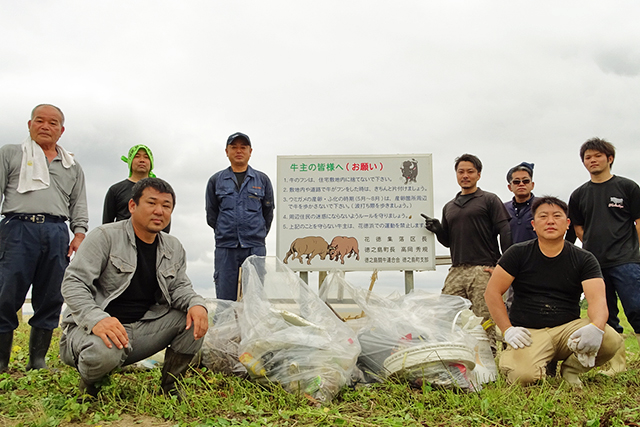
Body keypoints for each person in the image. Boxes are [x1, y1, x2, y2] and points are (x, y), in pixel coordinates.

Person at [59, 178, 208, 398]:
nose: (159, 211)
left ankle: (171, 386)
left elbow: (179, 287)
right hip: (93, 332)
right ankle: (92, 383)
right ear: (132, 206)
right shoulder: (104, 237)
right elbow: (73, 282)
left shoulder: (173, 246)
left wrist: (197, 304)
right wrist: (96, 319)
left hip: (141, 330)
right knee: (103, 351)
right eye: (151, 203)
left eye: (166, 206)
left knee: (193, 320)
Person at [484, 196, 622, 387]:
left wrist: (596, 326)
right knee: (523, 377)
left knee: (609, 338)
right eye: (543, 216)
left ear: (567, 224)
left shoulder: (584, 259)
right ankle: (534, 362)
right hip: (528, 332)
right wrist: (508, 330)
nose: (550, 221)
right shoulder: (517, 253)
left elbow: (597, 300)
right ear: (533, 224)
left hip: (568, 332)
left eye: (557, 216)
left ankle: (571, 369)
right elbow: (492, 293)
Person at [0, 104, 88, 373]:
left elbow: (78, 203)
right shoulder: (11, 153)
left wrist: (80, 233)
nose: (45, 126)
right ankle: (1, 362)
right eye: (40, 121)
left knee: (51, 295)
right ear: (29, 125)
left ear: (61, 131)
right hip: (17, 229)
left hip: (55, 232)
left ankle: (37, 362)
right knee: (6, 293)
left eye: (53, 123)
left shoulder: (71, 165)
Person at [422, 154, 511, 346]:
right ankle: (454, 356)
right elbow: (448, 242)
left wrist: (503, 265)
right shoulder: (449, 207)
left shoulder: (489, 199)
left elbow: (504, 231)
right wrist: (438, 230)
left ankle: (490, 366)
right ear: (456, 174)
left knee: (486, 319)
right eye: (461, 171)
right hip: (457, 269)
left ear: (478, 175)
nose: (465, 175)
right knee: (445, 315)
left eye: (470, 171)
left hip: (484, 269)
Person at [568, 137, 640, 375]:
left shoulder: (628, 187)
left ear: (609, 159)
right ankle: (617, 365)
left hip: (627, 261)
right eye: (587, 157)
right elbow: (578, 227)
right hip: (594, 266)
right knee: (605, 314)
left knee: (637, 308)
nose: (592, 160)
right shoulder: (579, 194)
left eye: (597, 156)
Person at [205, 132, 274, 301]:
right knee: (225, 299)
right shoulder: (216, 180)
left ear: (250, 151)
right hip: (226, 246)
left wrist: (256, 234)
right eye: (234, 147)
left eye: (243, 147)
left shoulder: (262, 179)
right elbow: (211, 214)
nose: (238, 151)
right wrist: (226, 231)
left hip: (254, 247)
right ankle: (227, 328)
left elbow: (268, 213)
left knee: (254, 299)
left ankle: (252, 328)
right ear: (226, 151)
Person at [103, 144, 170, 233]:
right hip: (121, 240)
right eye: (137, 156)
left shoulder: (160, 190)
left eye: (146, 157)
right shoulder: (115, 190)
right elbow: (107, 223)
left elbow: (165, 218)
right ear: (130, 161)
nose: (142, 160)